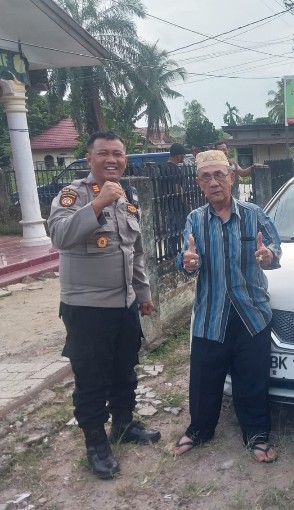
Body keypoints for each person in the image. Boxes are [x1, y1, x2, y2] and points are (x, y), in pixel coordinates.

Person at [47, 131, 159, 480]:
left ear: (125, 159)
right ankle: (96, 444)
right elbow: (59, 236)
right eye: (104, 153)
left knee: (125, 370)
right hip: (87, 309)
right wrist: (97, 204)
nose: (112, 160)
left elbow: (134, 251)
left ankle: (123, 425)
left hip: (124, 304)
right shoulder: (73, 195)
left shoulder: (127, 197)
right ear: (89, 158)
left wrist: (143, 294)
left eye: (118, 154)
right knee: (92, 380)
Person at [172, 149, 282, 463]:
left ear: (231, 178)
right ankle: (199, 430)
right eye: (206, 177)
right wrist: (187, 263)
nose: (214, 182)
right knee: (204, 379)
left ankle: (257, 435)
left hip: (251, 313)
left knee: (252, 379)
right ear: (199, 183)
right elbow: (185, 258)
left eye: (219, 175)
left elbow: (275, 245)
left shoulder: (253, 214)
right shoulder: (195, 219)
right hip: (211, 312)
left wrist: (269, 255)